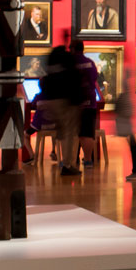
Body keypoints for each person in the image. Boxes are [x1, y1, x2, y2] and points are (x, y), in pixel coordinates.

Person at [39, 46, 83, 176]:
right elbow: (75, 79)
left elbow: (44, 80)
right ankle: (67, 164)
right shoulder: (68, 61)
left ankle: (62, 160)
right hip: (67, 101)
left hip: (52, 100)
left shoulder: (52, 59)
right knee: (70, 133)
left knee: (62, 132)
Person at [71, 39, 100, 168]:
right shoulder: (90, 63)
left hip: (75, 103)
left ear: (72, 49)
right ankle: (88, 160)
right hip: (90, 101)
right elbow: (95, 78)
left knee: (73, 133)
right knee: (88, 132)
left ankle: (70, 161)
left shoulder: (70, 64)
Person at [116, 65, 136, 180]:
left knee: (133, 145)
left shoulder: (125, 95)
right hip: (126, 122)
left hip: (125, 122)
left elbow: (125, 110)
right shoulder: (126, 94)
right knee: (133, 144)